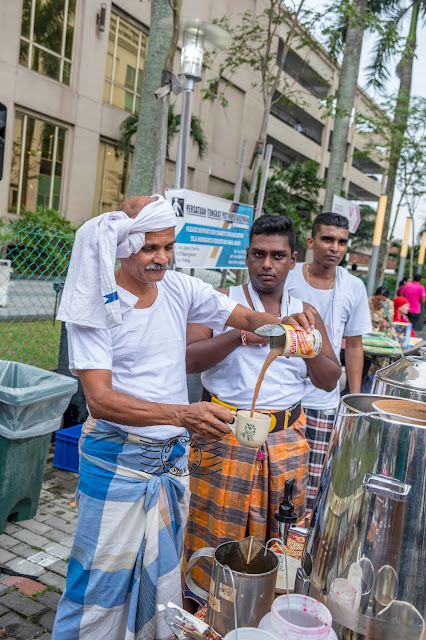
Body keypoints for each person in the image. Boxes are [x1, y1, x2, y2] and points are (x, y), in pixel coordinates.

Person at [52, 196, 298, 640]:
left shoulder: (180, 288)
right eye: (149, 248)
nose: (161, 258)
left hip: (171, 462)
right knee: (97, 587)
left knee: (161, 580)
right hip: (118, 463)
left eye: (168, 247)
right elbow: (101, 400)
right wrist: (183, 414)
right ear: (123, 247)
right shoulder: (97, 308)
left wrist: (282, 328)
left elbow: (239, 315)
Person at [184, 215, 341, 597]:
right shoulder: (221, 301)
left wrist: (306, 344)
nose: (267, 264)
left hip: (286, 437)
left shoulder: (305, 312)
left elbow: (329, 378)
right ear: (247, 256)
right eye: (259, 254)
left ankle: (269, 612)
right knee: (213, 533)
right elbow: (187, 360)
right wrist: (241, 335)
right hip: (223, 431)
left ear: (293, 259)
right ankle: (203, 613)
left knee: (282, 536)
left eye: (277, 255)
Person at [286, 212, 372, 510]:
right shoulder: (288, 276)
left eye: (341, 242)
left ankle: (296, 546)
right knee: (279, 478)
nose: (335, 247)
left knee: (311, 485)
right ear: (311, 242)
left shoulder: (353, 286)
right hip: (283, 394)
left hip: (324, 400)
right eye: (327, 239)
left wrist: (355, 401)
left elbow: (355, 345)